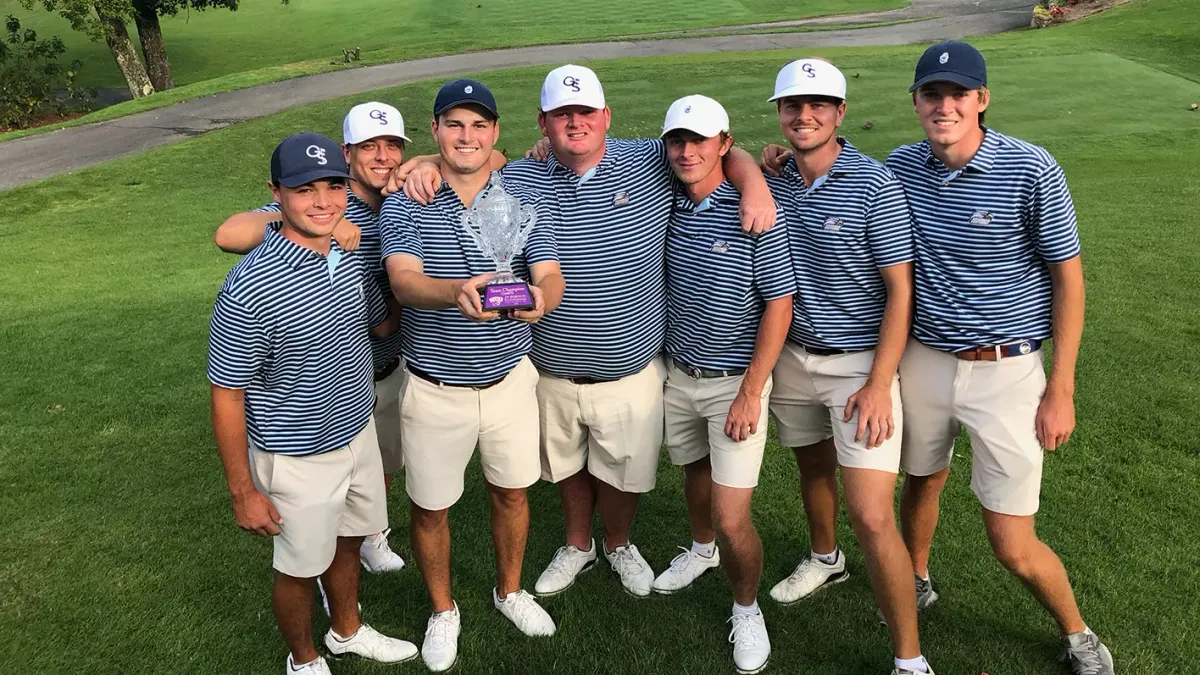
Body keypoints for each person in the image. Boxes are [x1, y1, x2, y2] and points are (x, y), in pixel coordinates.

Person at [397, 64, 779, 599]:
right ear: (544, 123)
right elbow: (474, 160)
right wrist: (423, 163)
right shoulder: (524, 175)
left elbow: (721, 150)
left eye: (584, 112)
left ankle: (618, 543)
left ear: (605, 116)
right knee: (569, 467)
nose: (574, 123)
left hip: (630, 368)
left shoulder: (649, 159)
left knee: (623, 471)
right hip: (550, 366)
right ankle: (579, 544)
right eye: (561, 114)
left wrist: (755, 183)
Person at [885, 41, 1113, 675]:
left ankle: (1078, 634)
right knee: (921, 478)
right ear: (916, 103)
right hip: (925, 361)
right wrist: (755, 157)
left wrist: (1060, 387)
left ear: (982, 101)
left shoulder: (1032, 168)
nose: (945, 105)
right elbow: (819, 167)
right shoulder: (899, 168)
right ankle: (918, 577)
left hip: (1009, 371)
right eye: (933, 94)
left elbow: (1068, 277)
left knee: (1012, 542)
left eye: (958, 94)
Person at [208, 132, 417, 675]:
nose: (323, 201)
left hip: (357, 432)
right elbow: (228, 394)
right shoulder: (248, 285)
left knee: (348, 542)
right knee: (298, 569)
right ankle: (303, 659)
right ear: (275, 194)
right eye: (305, 189)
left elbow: (379, 323)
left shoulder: (348, 256)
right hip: (294, 452)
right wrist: (242, 491)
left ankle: (347, 632)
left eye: (333, 186)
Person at [379, 78, 566, 672]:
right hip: (435, 386)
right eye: (453, 125)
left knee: (512, 492)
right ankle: (442, 610)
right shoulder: (407, 200)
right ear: (434, 131)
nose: (467, 136)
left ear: (495, 133)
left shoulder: (522, 187)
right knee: (430, 506)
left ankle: (509, 590)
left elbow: (549, 271)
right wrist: (450, 291)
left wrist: (542, 299)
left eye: (478, 126)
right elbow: (403, 280)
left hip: (510, 378)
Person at [759, 58, 930, 675]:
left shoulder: (873, 185)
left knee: (872, 513)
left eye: (817, 107)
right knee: (812, 467)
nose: (804, 117)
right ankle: (825, 557)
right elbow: (724, 160)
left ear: (840, 113)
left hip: (859, 366)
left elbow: (900, 293)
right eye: (792, 107)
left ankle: (909, 658)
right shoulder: (773, 176)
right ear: (779, 114)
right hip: (792, 359)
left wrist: (880, 384)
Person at [649, 94, 794, 675]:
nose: (686, 152)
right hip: (677, 375)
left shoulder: (754, 210)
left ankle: (747, 606)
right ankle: (701, 550)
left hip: (735, 383)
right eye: (677, 141)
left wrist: (751, 392)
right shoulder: (662, 199)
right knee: (693, 473)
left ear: (724, 145)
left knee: (735, 517)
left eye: (699, 141)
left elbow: (779, 307)